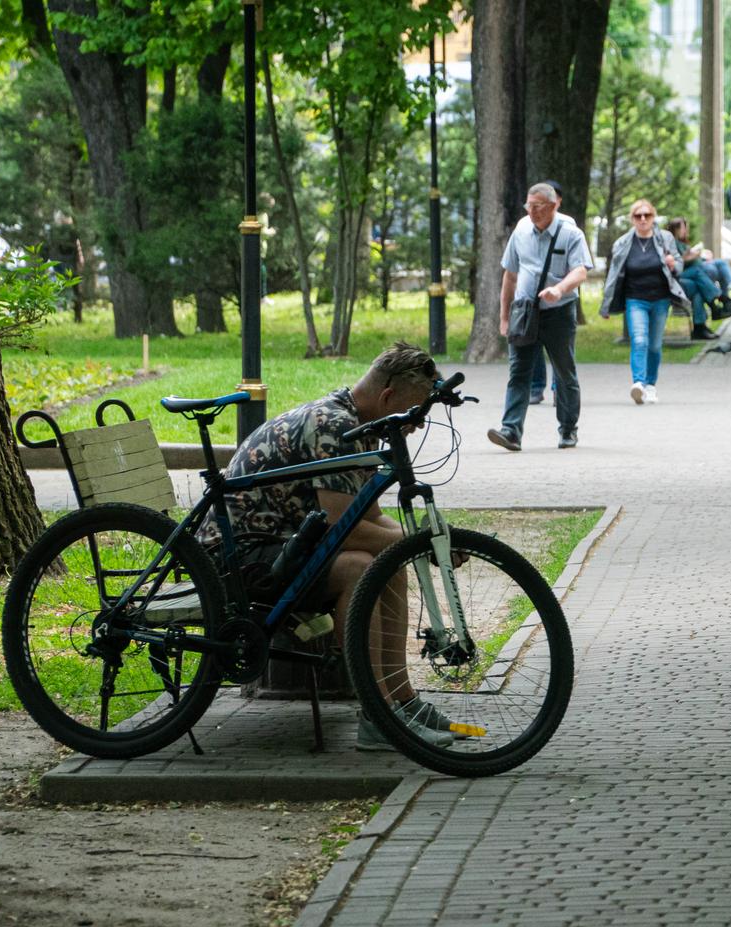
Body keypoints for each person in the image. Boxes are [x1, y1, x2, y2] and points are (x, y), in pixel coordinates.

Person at [194, 342, 453, 750]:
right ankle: (377, 714)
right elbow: (344, 532)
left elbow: (365, 518)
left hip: (281, 549)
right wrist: (417, 542)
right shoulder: (334, 428)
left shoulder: (356, 423)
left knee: (390, 560)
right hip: (239, 559)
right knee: (358, 568)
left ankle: (401, 700)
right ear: (387, 397)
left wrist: (416, 543)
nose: (416, 425)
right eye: (413, 412)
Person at [489, 181, 592, 452]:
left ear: (553, 205)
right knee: (518, 371)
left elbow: (581, 271)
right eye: (529, 206)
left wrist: (559, 289)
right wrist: (503, 317)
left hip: (559, 313)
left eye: (538, 207)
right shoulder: (521, 231)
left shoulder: (570, 233)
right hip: (524, 311)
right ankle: (510, 431)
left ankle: (568, 429)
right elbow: (510, 275)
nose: (532, 212)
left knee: (564, 372)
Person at [600, 199, 690, 405]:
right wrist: (606, 304)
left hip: (660, 299)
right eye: (638, 216)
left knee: (655, 346)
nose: (642, 219)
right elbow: (613, 275)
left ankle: (651, 385)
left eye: (647, 215)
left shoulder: (665, 238)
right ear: (632, 219)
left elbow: (679, 265)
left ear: (653, 218)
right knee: (639, 340)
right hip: (635, 299)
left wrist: (673, 264)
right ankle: (638, 383)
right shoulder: (623, 243)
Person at [666, 217, 731, 339]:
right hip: (675, 279)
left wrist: (699, 255)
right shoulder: (671, 243)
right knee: (699, 273)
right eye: (683, 227)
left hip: (685, 278)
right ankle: (721, 301)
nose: (685, 230)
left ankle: (700, 328)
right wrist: (693, 255)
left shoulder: (680, 242)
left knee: (698, 290)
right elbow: (678, 262)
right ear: (675, 229)